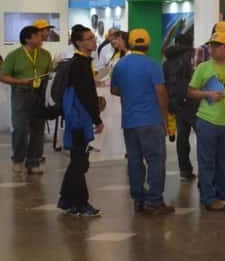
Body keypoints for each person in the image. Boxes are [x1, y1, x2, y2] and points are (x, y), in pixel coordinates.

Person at [110, 28, 173, 215]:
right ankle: (154, 201)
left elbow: (114, 90)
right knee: (155, 161)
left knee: (134, 160)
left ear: (129, 43)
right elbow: (161, 92)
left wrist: (131, 94)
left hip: (129, 122)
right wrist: (165, 119)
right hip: (151, 120)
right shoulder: (153, 65)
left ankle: (138, 199)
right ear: (148, 45)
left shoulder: (121, 65)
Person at [187, 29, 225, 211]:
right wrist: (208, 94)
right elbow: (190, 91)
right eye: (211, 46)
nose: (212, 49)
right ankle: (208, 197)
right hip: (207, 120)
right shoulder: (203, 67)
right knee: (207, 161)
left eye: (217, 46)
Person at [60, 25, 104, 217]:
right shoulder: (80, 64)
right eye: (89, 38)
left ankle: (68, 200)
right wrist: (97, 119)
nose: (93, 41)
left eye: (93, 37)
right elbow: (87, 95)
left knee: (78, 161)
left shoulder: (82, 62)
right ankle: (79, 203)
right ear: (78, 43)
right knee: (79, 163)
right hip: (79, 119)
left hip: (78, 118)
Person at [0, 24, 52, 175]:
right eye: (38, 36)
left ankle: (33, 162)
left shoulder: (45, 54)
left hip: (40, 93)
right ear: (28, 39)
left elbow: (50, 74)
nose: (42, 38)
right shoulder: (14, 55)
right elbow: (3, 77)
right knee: (21, 128)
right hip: (21, 93)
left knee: (38, 129)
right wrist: (20, 81)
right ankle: (18, 160)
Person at [163, 31, 197, 181]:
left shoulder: (167, 61)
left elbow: (164, 84)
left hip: (175, 102)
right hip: (192, 101)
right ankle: (206, 172)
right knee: (203, 136)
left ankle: (185, 170)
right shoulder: (190, 57)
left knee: (182, 137)